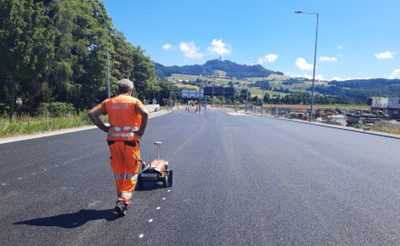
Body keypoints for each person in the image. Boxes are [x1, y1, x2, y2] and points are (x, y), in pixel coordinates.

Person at [88, 79, 149, 216]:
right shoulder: (134, 101)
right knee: (132, 172)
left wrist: (105, 129)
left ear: (118, 90)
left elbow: (92, 114)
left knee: (119, 172)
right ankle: (123, 200)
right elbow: (145, 113)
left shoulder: (109, 102)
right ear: (130, 90)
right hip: (130, 142)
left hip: (113, 142)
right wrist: (140, 132)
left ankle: (121, 199)